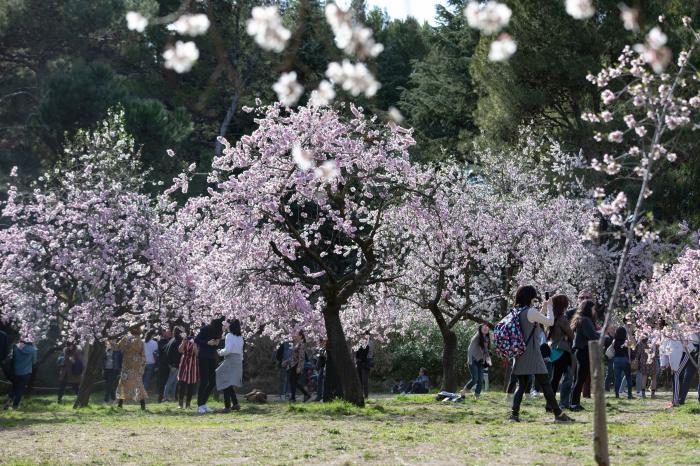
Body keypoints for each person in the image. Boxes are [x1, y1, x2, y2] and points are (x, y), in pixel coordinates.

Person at [509, 285, 574, 423]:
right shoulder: (530, 311)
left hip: (520, 353)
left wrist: (543, 308)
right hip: (532, 353)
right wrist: (550, 306)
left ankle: (514, 415)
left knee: (522, 384)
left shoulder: (517, 311)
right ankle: (558, 414)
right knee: (545, 383)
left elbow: (534, 320)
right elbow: (549, 321)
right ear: (530, 296)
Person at [560, 289, 592, 409]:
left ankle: (575, 402)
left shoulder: (590, 314)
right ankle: (564, 403)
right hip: (569, 349)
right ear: (577, 300)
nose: (584, 300)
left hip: (584, 350)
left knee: (579, 378)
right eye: (581, 297)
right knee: (568, 377)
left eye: (587, 297)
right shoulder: (570, 313)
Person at [569, 299, 599, 411]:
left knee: (578, 379)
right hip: (583, 351)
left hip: (580, 351)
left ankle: (574, 402)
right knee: (580, 379)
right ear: (588, 309)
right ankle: (573, 404)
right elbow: (592, 335)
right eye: (593, 308)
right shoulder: (585, 320)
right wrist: (603, 336)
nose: (595, 311)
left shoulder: (581, 319)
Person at [548, 294, 573, 404]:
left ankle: (552, 403)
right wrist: (567, 336)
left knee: (555, 378)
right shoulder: (562, 319)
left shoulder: (552, 317)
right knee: (559, 378)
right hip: (562, 350)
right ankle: (551, 404)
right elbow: (571, 334)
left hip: (553, 349)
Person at [195, 318, 223, 414]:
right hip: (203, 356)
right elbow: (197, 339)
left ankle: (203, 403)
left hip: (212, 357)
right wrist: (207, 342)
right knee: (204, 381)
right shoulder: (205, 329)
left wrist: (216, 343)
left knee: (212, 382)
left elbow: (215, 346)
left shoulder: (219, 331)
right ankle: (199, 405)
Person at [116, 324, 148, 410]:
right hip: (136, 364)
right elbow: (143, 355)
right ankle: (142, 405)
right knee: (138, 383)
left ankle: (120, 404)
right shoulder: (140, 341)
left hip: (127, 363)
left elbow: (117, 347)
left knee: (123, 382)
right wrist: (143, 365)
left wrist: (111, 340)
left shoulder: (126, 338)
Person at [216, 319, 244, 412]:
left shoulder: (229, 335)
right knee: (229, 383)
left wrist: (220, 352)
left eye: (227, 324)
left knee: (224, 380)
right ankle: (235, 404)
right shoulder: (240, 337)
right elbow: (240, 352)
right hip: (238, 361)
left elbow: (227, 350)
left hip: (230, 359)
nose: (226, 326)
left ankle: (227, 406)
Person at [4, 338, 37, 410]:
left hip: (16, 371)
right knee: (20, 389)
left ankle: (8, 402)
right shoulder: (33, 350)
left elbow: (12, 358)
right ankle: (15, 406)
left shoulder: (16, 348)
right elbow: (34, 362)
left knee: (14, 387)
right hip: (26, 372)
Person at [462, 324, 491, 399]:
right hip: (473, 360)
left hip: (481, 361)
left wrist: (488, 360)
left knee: (481, 380)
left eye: (487, 328)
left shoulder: (486, 338)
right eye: (483, 328)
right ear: (480, 329)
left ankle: (477, 396)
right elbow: (470, 348)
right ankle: (464, 391)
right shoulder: (477, 336)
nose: (485, 329)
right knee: (475, 379)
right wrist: (469, 359)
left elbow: (486, 351)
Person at [660, 336, 685, 408]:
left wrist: (665, 363)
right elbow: (665, 349)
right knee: (675, 375)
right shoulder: (666, 336)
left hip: (685, 352)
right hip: (675, 355)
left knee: (676, 374)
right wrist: (665, 363)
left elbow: (666, 349)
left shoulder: (672, 334)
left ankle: (676, 401)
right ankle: (675, 400)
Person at [177, 330, 199, 409]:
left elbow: (197, 354)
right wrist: (183, 342)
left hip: (192, 364)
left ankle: (188, 404)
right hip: (184, 362)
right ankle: (180, 403)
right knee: (182, 383)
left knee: (191, 385)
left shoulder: (196, 342)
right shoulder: (185, 340)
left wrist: (195, 345)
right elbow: (180, 350)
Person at [287, 330, 310, 403]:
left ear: (300, 336)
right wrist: (286, 362)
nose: (295, 336)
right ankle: (295, 397)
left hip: (297, 365)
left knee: (293, 381)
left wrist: (299, 367)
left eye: (296, 334)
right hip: (293, 365)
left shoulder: (301, 345)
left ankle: (303, 395)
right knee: (293, 381)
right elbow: (294, 356)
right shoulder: (297, 344)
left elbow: (302, 357)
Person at [612, 326, 634, 399]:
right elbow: (630, 350)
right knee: (628, 377)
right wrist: (630, 359)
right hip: (625, 359)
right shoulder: (626, 341)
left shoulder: (614, 341)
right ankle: (629, 395)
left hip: (616, 359)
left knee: (617, 378)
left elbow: (613, 349)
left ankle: (617, 394)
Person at [162, 327, 183, 402]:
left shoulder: (172, 339)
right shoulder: (178, 341)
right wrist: (174, 364)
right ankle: (165, 397)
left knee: (174, 381)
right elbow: (176, 354)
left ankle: (173, 397)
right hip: (175, 364)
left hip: (171, 363)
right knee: (171, 381)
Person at [678, 332, 699, 405]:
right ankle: (681, 399)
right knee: (687, 375)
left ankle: (681, 399)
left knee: (687, 375)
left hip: (692, 346)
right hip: (691, 347)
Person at [355, 331, 373, 399]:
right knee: (359, 380)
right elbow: (357, 353)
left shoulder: (369, 343)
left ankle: (366, 395)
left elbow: (367, 353)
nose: (362, 336)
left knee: (364, 380)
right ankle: (360, 394)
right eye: (362, 335)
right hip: (359, 363)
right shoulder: (360, 343)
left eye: (364, 335)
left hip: (365, 363)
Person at [103, 339, 122, 403]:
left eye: (113, 340)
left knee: (109, 384)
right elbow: (104, 359)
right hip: (106, 368)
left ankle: (106, 399)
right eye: (110, 340)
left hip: (114, 369)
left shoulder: (118, 350)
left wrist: (120, 369)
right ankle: (114, 398)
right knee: (109, 384)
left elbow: (120, 360)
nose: (111, 342)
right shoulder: (107, 349)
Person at [156, 329, 172, 402]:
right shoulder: (161, 342)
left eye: (170, 332)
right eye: (168, 332)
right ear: (163, 332)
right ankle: (160, 398)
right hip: (163, 365)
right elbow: (163, 349)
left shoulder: (170, 341)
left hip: (169, 365)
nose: (169, 334)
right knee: (162, 383)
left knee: (168, 382)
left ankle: (166, 397)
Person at [603, 324, 616, 392]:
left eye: (614, 329)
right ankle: (606, 388)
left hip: (614, 357)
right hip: (609, 357)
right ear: (608, 329)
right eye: (612, 329)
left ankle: (615, 388)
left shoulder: (615, 337)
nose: (614, 330)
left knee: (614, 373)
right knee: (610, 372)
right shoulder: (607, 337)